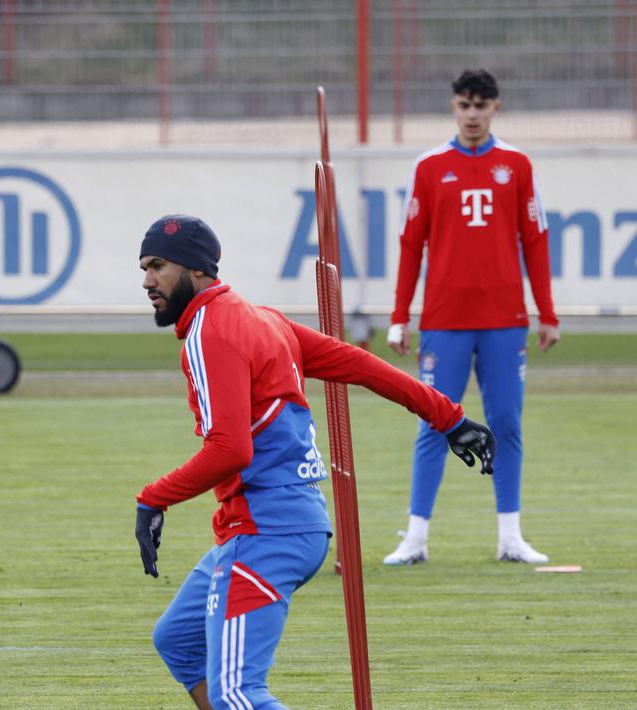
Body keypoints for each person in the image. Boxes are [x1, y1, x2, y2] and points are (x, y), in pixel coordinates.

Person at [132, 215, 496, 710]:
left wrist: (153, 499)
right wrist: (448, 417)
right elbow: (360, 365)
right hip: (295, 525)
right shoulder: (263, 319)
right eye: (145, 268)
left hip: (265, 531)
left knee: (238, 693)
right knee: (178, 639)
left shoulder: (210, 331)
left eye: (158, 266)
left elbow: (230, 450)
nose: (148, 280)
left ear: (197, 269)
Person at [383, 69, 559, 566]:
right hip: (444, 321)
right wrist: (400, 316)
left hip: (504, 320)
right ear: (453, 107)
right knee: (434, 424)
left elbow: (536, 241)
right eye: (465, 105)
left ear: (495, 108)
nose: (473, 115)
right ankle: (415, 539)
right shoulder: (430, 166)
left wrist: (547, 313)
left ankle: (510, 537)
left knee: (506, 423)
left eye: (482, 105)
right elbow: (411, 245)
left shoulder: (517, 165)